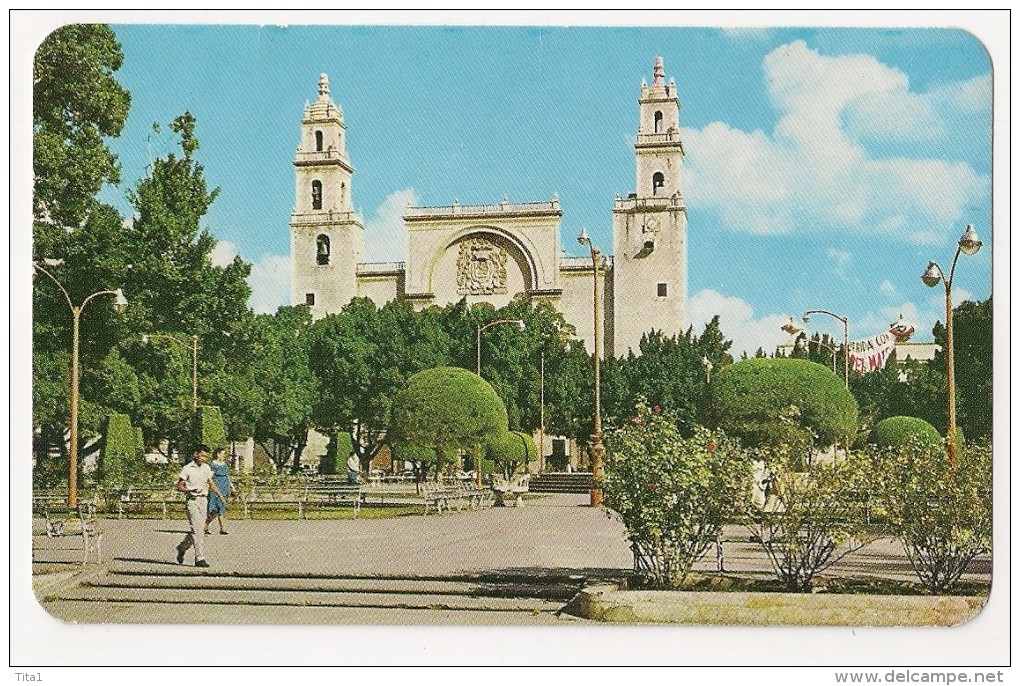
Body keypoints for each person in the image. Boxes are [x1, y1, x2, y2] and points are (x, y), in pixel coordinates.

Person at [175, 444, 225, 568]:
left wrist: (220, 496)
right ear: (195, 454)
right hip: (192, 501)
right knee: (197, 529)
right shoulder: (187, 468)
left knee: (198, 529)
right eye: (202, 455)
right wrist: (188, 490)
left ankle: (182, 547)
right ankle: (199, 558)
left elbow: (210, 483)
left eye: (205, 456)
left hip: (203, 500)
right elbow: (179, 485)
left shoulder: (206, 468)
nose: (204, 458)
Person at [204, 447, 232, 535]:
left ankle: (222, 528)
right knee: (215, 509)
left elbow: (227, 476)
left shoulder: (225, 464)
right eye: (223, 454)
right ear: (218, 454)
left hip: (225, 487)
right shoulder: (212, 465)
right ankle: (206, 524)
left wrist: (232, 487)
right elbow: (209, 478)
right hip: (216, 487)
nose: (224, 456)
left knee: (222, 508)